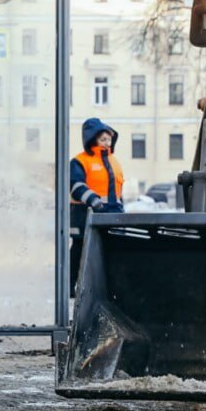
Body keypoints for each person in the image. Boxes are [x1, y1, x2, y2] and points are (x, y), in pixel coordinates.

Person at [69, 118, 125, 293]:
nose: (107, 142)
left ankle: (105, 287)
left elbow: (117, 190)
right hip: (84, 213)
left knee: (109, 251)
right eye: (103, 139)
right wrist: (93, 200)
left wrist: (121, 208)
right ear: (92, 139)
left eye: (108, 139)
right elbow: (76, 185)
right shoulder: (80, 161)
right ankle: (70, 287)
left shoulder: (114, 161)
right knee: (79, 250)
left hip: (111, 214)